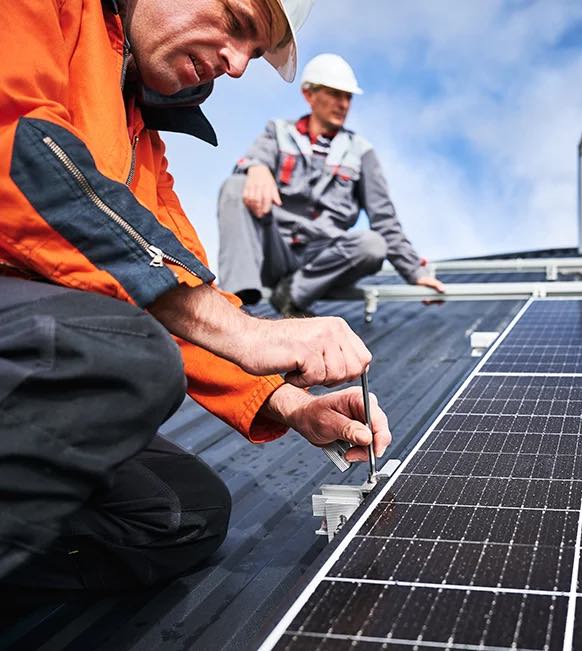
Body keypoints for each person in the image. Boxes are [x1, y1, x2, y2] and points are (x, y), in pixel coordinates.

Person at [0, 0, 390, 598]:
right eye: (235, 22)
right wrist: (255, 335)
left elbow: (180, 294)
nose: (235, 66)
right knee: (127, 358)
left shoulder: (139, 136)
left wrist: (288, 404)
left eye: (254, 53)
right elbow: (18, 151)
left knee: (183, 514)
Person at [217, 53, 446, 316]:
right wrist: (255, 167)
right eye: (335, 94)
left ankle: (293, 295)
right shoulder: (278, 133)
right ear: (309, 95)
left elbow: (385, 220)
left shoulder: (360, 153)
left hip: (323, 259)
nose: (343, 104)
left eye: (348, 97)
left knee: (373, 244)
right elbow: (252, 163)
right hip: (274, 249)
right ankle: (236, 303)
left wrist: (415, 273)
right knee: (235, 186)